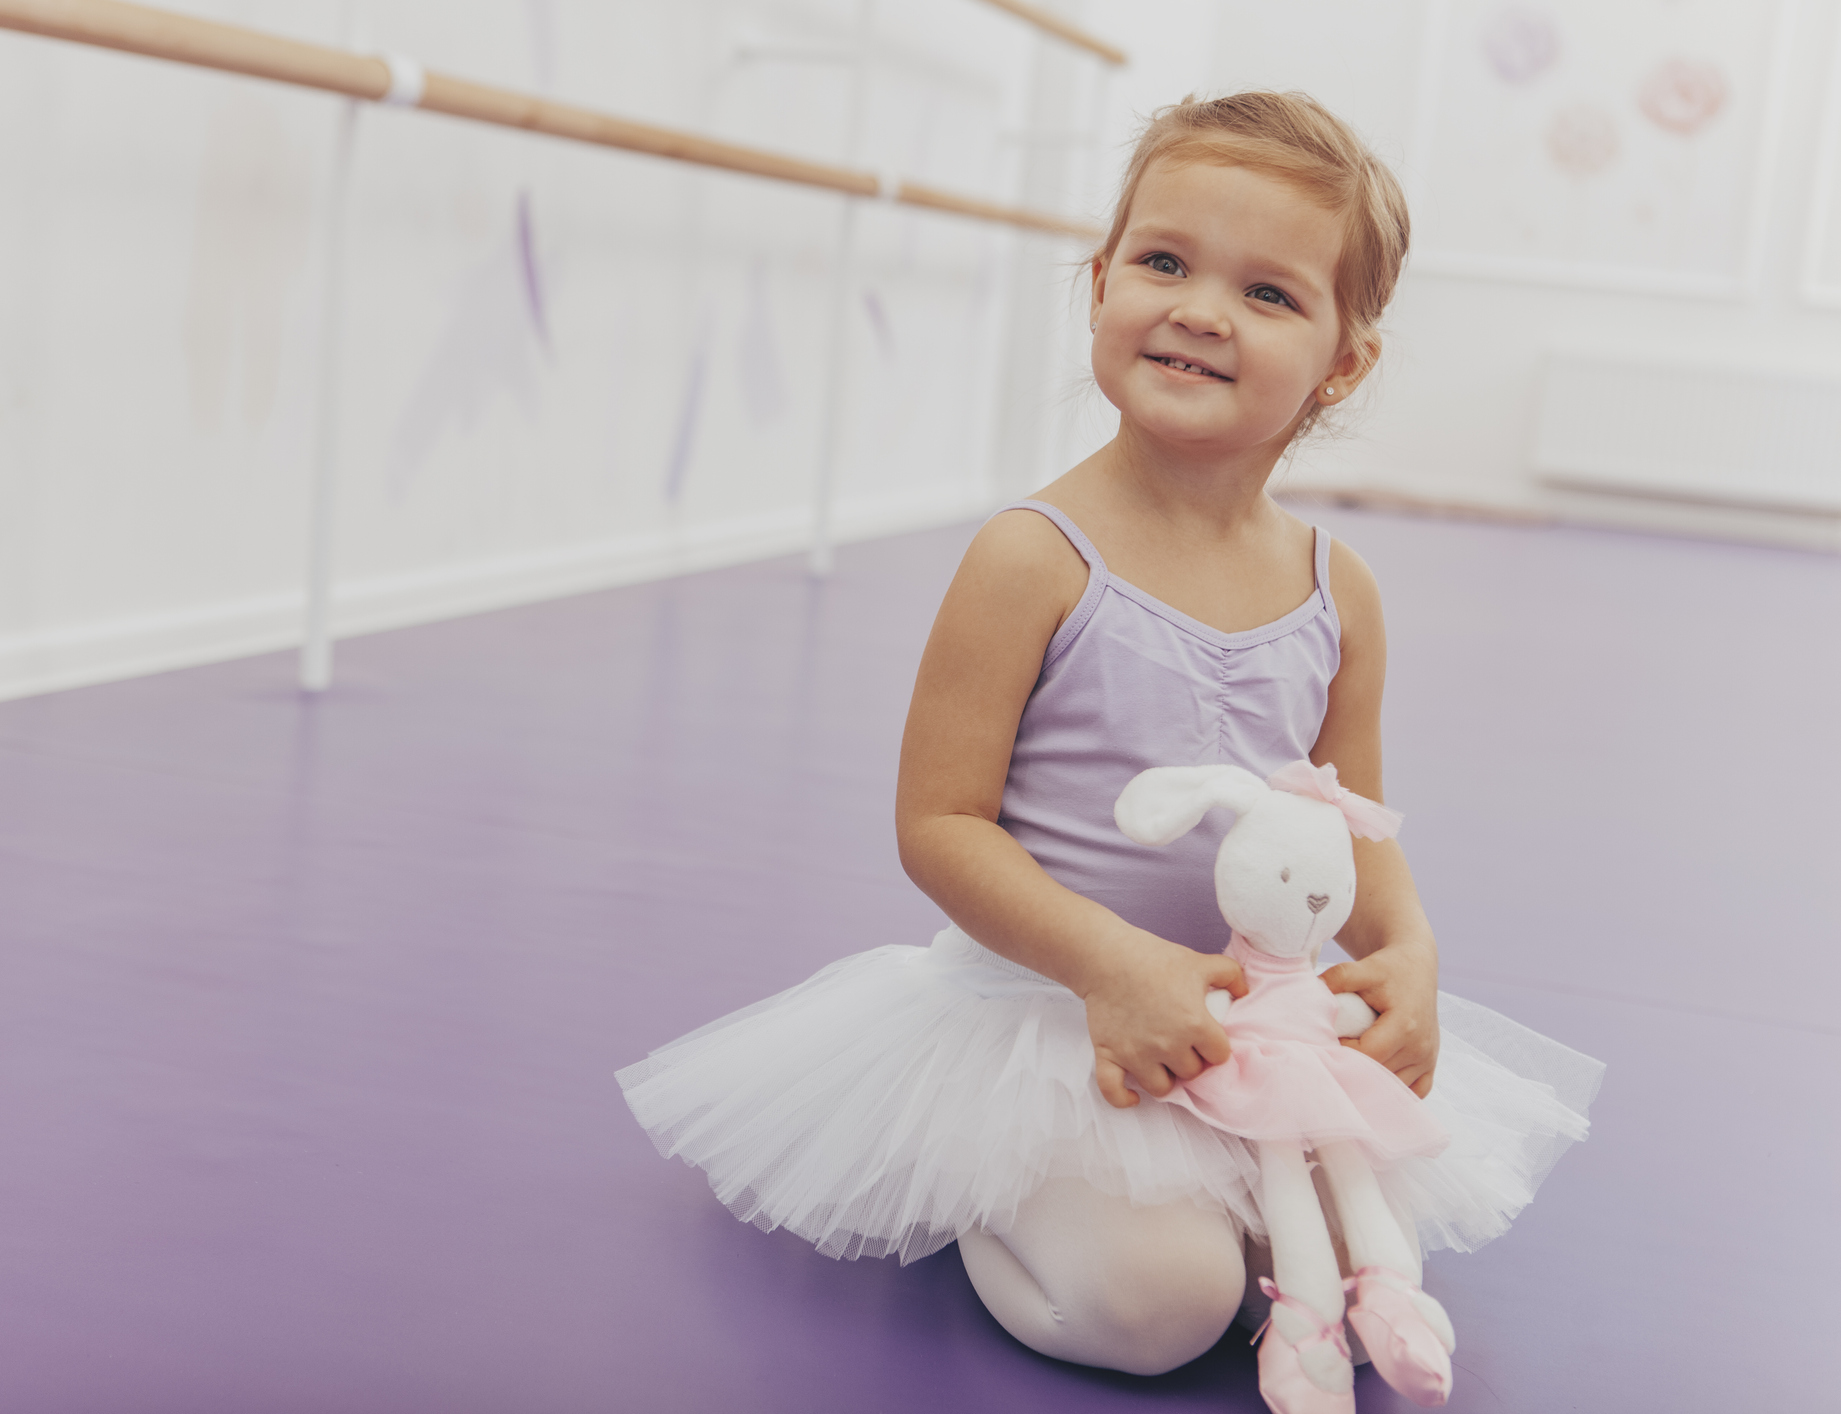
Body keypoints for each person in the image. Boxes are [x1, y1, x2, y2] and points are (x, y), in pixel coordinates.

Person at [617, 91, 1601, 1389]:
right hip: (1049, 1016)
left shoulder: (1335, 589)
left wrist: (1408, 951)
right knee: (1164, 1307)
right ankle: (965, 1183)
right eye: (1163, 262)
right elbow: (938, 825)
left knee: (1357, 1225)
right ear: (1098, 285)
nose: (1198, 309)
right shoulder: (1032, 557)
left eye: (1266, 293)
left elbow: (1350, 818)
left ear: (1342, 361)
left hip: (1246, 1018)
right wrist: (1111, 968)